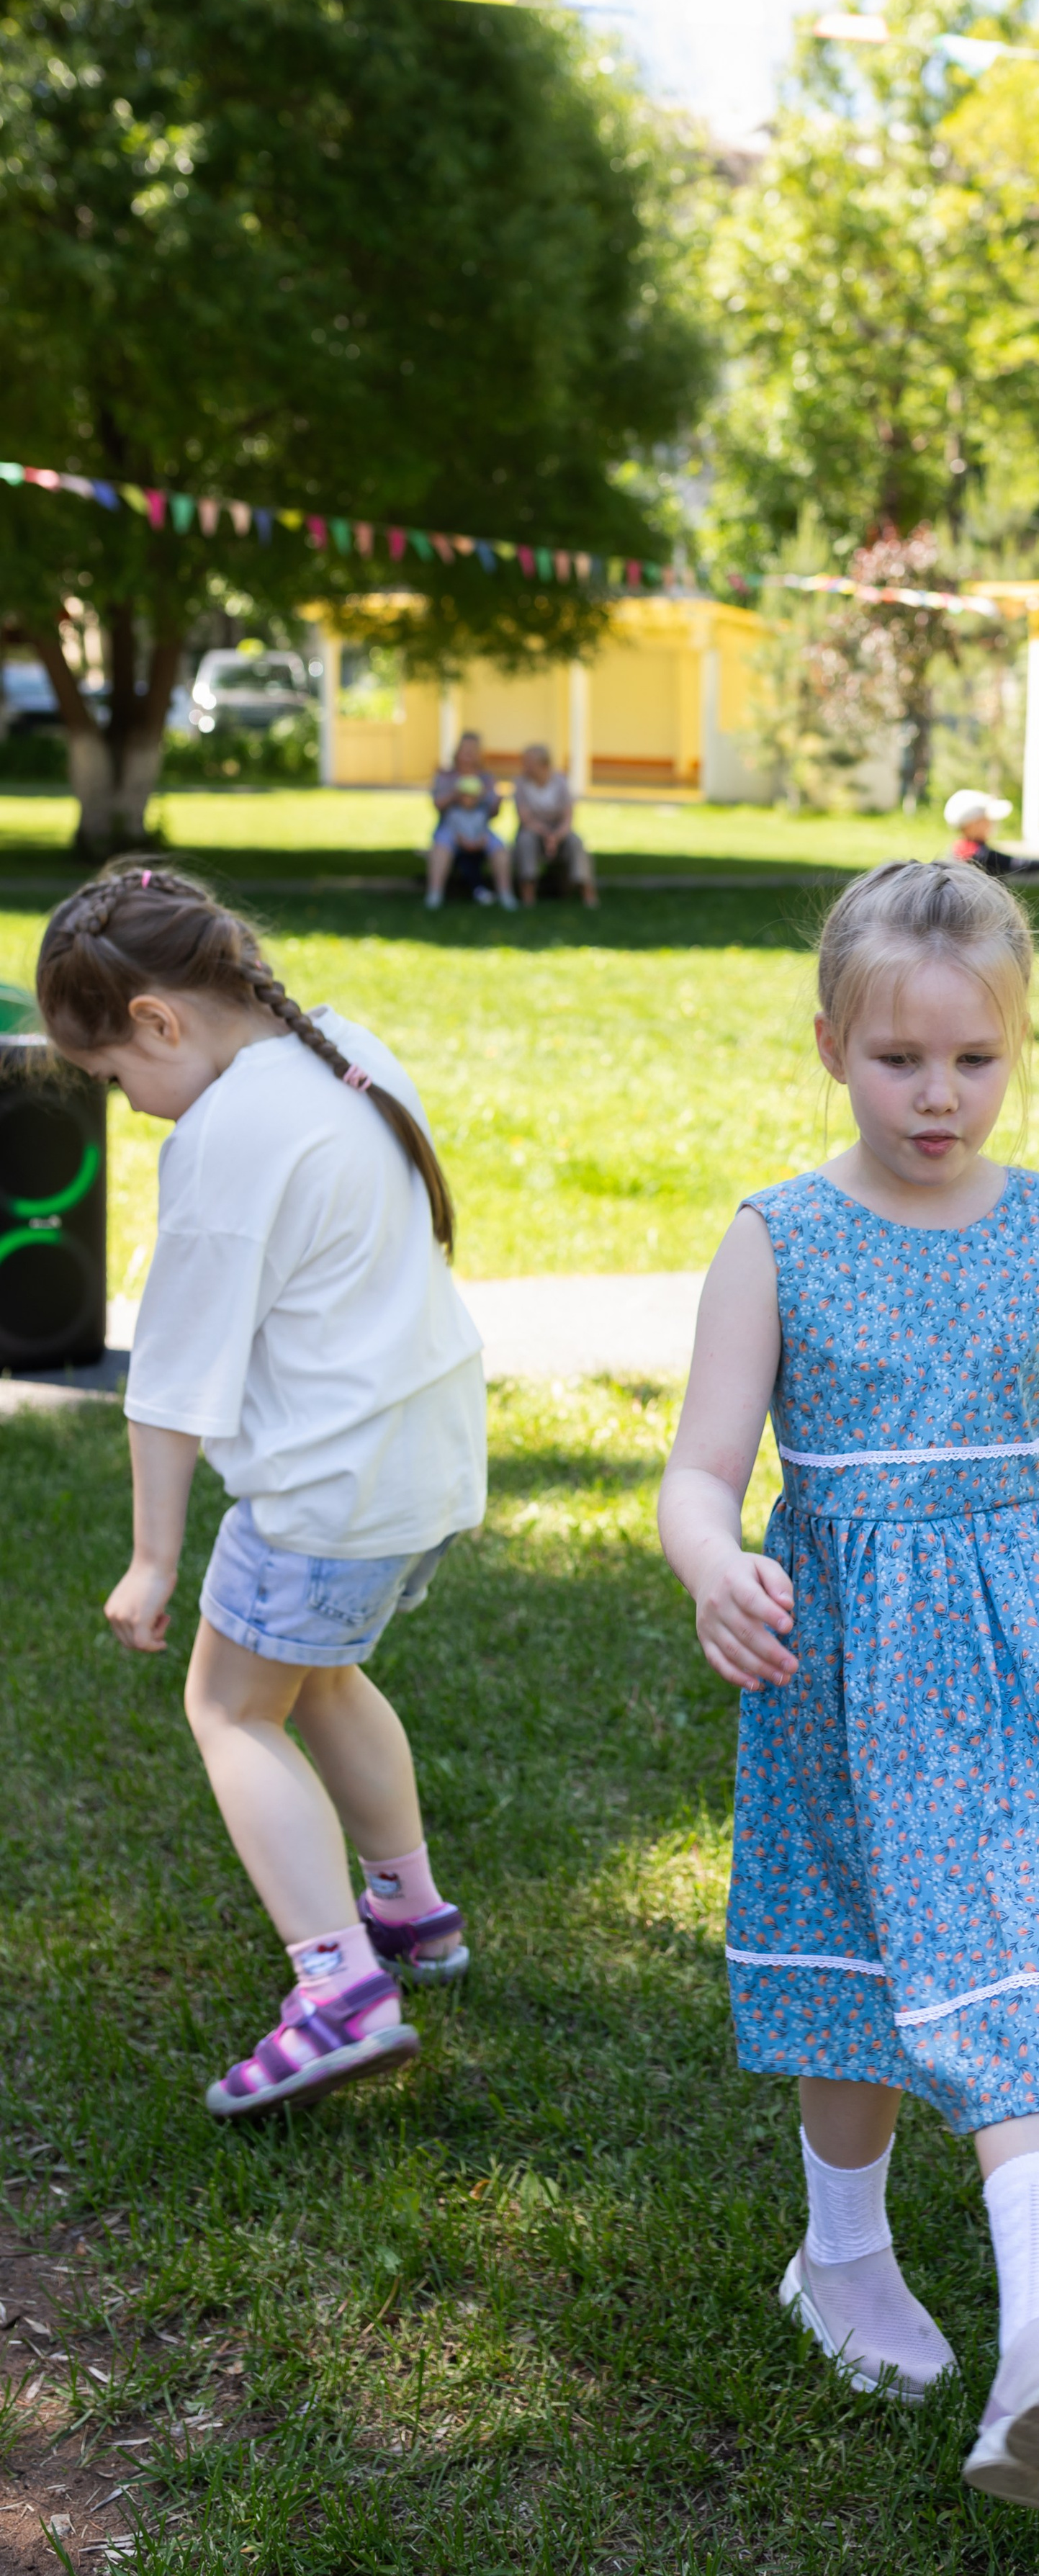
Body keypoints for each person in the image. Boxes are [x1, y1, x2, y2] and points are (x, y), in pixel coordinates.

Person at [657, 858, 1039, 2513]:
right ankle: (839, 2255)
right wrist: (712, 1561)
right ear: (831, 1043)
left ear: (1016, 1045)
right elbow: (697, 1466)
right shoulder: (780, 1237)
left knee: (1028, 1958)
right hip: (843, 1660)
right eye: (900, 1059)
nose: (937, 1094)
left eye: (973, 1060)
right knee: (860, 1961)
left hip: (1031, 1655)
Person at [36, 864, 486, 2121]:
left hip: (327, 1488)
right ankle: (411, 1909)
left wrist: (152, 1561)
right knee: (320, 1673)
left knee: (232, 1708)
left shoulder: (225, 1140)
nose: (130, 1110)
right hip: (424, 1459)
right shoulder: (338, 1045)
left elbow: (173, 1383)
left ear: (159, 1023)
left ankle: (338, 1987)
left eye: (118, 1081)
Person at [426, 732, 514, 911]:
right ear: (457, 752)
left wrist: (493, 800)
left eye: (472, 751)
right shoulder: (445, 776)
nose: (468, 755)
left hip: (480, 829)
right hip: (451, 829)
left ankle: (506, 894)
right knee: (441, 847)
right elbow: (437, 805)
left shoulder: (486, 779)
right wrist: (456, 794)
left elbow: (493, 812)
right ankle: (434, 895)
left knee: (500, 849)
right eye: (464, 750)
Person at [512, 742, 598, 908]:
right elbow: (525, 818)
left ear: (543, 765)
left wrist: (556, 836)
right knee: (526, 841)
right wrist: (547, 835)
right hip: (534, 831)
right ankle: (528, 895)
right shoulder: (521, 784)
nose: (525, 767)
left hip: (559, 831)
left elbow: (568, 817)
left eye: (528, 763)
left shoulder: (560, 782)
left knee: (576, 842)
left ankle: (587, 893)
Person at [942, 789, 1039, 879]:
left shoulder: (956, 849)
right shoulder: (979, 854)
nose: (991, 824)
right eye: (987, 820)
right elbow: (1016, 864)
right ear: (974, 824)